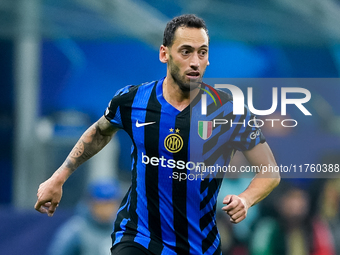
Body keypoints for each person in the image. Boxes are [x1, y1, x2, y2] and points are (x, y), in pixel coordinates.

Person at [35, 14, 280, 255]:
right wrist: (58, 178)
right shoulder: (132, 101)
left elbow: (270, 172)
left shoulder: (230, 111)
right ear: (164, 54)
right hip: (138, 238)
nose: (195, 61)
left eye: (202, 52)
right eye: (186, 51)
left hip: (198, 246)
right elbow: (99, 132)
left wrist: (246, 199)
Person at [47, 179, 121, 255]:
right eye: (101, 205)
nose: (106, 210)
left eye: (110, 205)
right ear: (90, 204)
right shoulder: (75, 231)